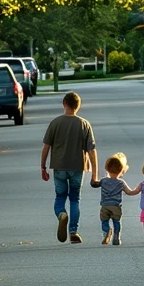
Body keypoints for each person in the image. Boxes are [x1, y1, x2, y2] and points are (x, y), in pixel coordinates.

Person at [40, 92, 98, 244]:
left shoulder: (55, 123)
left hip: (59, 167)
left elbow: (46, 146)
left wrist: (43, 166)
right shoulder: (84, 124)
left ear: (64, 103)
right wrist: (94, 174)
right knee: (74, 199)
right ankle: (73, 232)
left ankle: (61, 214)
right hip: (77, 167)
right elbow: (92, 150)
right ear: (78, 106)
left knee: (60, 197)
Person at [91, 153, 129, 245]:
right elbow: (129, 192)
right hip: (116, 206)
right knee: (117, 221)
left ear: (107, 168)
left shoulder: (103, 181)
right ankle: (116, 235)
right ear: (122, 170)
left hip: (105, 206)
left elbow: (94, 184)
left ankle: (107, 232)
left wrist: (93, 177)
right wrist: (140, 189)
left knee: (104, 221)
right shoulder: (121, 183)